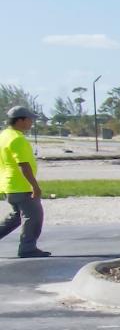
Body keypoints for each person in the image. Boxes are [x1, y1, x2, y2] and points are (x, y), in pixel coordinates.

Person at [1, 105, 52, 258]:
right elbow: (23, 164)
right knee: (34, 217)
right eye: (30, 119)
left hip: (9, 185)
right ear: (20, 120)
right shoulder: (17, 139)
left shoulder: (4, 136)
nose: (31, 123)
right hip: (21, 185)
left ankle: (27, 246)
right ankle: (27, 248)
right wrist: (34, 186)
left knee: (16, 217)